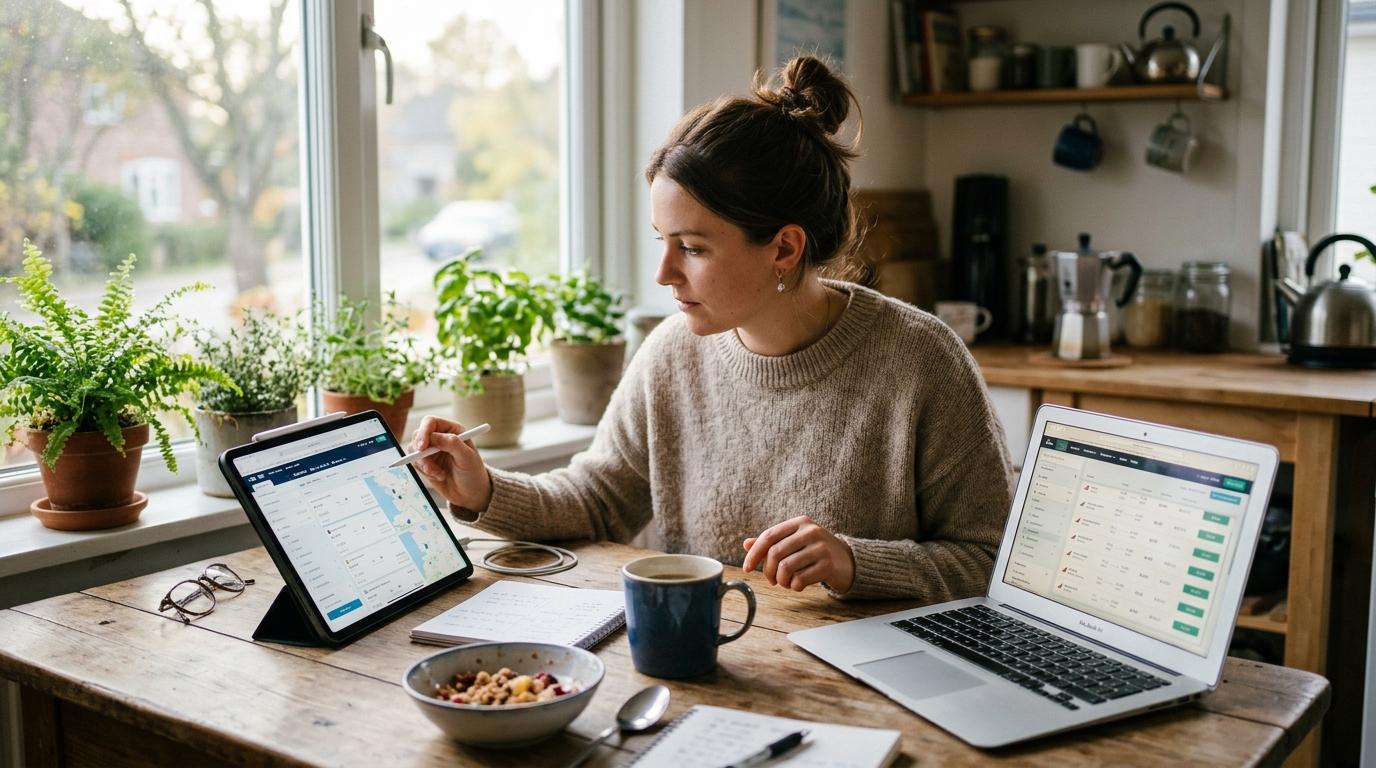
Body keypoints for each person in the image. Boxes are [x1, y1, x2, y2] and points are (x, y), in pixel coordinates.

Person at [412, 56, 1013, 601]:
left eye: (692, 248)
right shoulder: (670, 353)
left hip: (867, 689)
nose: (664, 273)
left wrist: (855, 562)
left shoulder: (921, 360)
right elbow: (597, 500)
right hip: (706, 665)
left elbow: (989, 561)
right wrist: (482, 489)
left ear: (784, 248)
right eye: (662, 242)